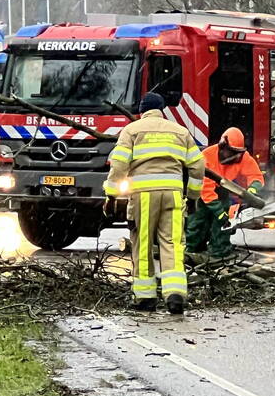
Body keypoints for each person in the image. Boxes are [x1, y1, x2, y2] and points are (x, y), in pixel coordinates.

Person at [104, 92, 205, 314]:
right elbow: (198, 166)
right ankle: (175, 293)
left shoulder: (131, 131)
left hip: (143, 195)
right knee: (172, 244)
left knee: (142, 243)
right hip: (173, 194)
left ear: (142, 110)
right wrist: (194, 197)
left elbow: (119, 165)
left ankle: (145, 297)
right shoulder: (180, 132)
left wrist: (111, 195)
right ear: (162, 110)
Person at [186, 127, 265, 259]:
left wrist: (251, 191)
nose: (235, 156)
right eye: (231, 152)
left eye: (237, 152)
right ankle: (192, 253)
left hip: (223, 190)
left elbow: (256, 176)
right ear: (223, 147)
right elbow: (206, 190)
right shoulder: (207, 155)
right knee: (198, 223)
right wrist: (219, 213)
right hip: (202, 193)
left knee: (222, 226)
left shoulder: (242, 157)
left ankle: (219, 253)